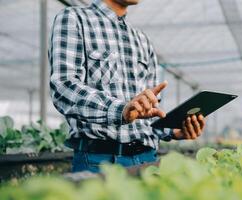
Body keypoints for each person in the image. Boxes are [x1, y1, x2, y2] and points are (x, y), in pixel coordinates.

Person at [49, 0, 206, 173]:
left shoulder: (142, 40)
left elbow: (148, 112)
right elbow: (64, 87)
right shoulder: (75, 19)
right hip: (99, 161)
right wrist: (121, 110)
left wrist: (174, 130)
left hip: (147, 159)